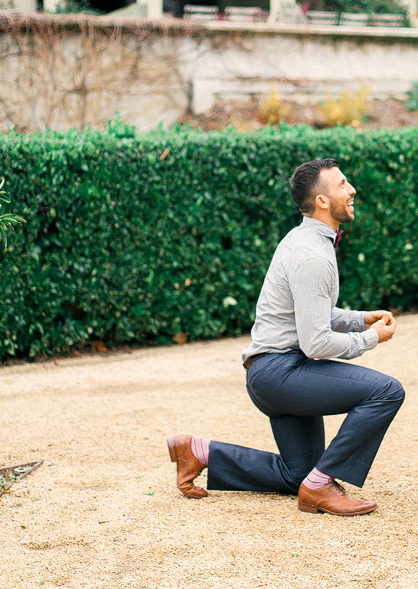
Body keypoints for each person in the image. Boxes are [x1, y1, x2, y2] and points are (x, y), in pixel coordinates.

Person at [165, 158, 404, 516]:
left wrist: (358, 320)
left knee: (299, 475)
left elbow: (309, 312)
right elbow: (317, 343)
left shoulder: (303, 239)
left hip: (273, 373)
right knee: (387, 392)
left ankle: (199, 451)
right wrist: (370, 338)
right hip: (282, 374)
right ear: (322, 201)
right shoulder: (312, 255)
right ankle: (322, 485)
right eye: (341, 184)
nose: (351, 189)